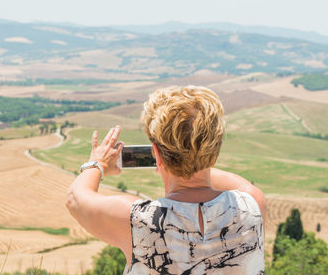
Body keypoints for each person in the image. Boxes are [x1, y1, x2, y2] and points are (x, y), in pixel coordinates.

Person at [66, 86, 266, 274]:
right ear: (215, 149)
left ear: (157, 154)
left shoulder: (140, 221)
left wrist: (97, 163)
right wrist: (191, 158)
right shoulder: (253, 206)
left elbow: (75, 199)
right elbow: (241, 185)